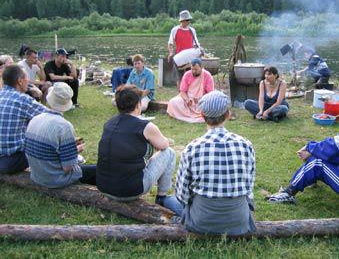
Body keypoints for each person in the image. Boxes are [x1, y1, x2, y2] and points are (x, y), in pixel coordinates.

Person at [175, 90, 256, 235]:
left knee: (174, 201)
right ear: (228, 114)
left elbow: (182, 195)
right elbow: (249, 189)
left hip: (200, 222)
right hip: (238, 222)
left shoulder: (192, 148)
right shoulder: (246, 145)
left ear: (202, 115)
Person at [96, 85, 181, 214]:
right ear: (138, 104)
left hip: (104, 187)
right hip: (130, 191)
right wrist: (164, 141)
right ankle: (161, 197)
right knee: (169, 153)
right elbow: (164, 145)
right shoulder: (146, 126)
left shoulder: (108, 123)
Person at [25, 82, 96, 188]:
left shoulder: (35, 119)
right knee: (97, 170)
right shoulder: (64, 126)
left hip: (36, 175)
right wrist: (76, 150)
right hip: (54, 179)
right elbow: (67, 167)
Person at [0, 65, 51, 174]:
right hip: (10, 161)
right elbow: (52, 117)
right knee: (47, 145)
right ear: (20, 81)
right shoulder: (22, 99)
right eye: (27, 78)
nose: (29, 81)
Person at [167, 58, 214, 123]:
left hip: (202, 100)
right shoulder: (187, 74)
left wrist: (201, 99)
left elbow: (210, 93)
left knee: (211, 105)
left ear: (201, 67)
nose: (194, 71)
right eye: (192, 69)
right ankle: (187, 115)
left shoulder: (207, 75)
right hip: (189, 100)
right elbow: (182, 91)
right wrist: (187, 99)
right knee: (173, 102)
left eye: (196, 69)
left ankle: (189, 115)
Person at [168, 10, 201, 89]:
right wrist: (171, 52)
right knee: (179, 77)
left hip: (190, 57)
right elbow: (170, 43)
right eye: (187, 20)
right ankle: (180, 94)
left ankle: (190, 93)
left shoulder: (192, 31)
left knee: (191, 75)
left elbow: (196, 44)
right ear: (182, 20)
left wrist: (199, 51)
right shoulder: (175, 30)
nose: (189, 22)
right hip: (179, 57)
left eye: (189, 20)